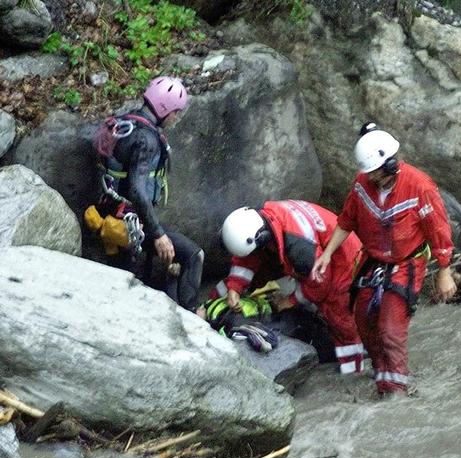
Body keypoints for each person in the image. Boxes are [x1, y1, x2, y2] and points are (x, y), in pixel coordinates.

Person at [312, 122, 456, 397]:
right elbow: (347, 221)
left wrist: (444, 271)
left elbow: (438, 230)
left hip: (407, 263)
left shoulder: (419, 187)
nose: (374, 179)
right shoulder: (362, 184)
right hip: (374, 260)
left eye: (378, 173)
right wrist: (327, 254)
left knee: (390, 327)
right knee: (364, 320)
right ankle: (384, 376)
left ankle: (396, 390)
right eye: (370, 174)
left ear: (391, 164)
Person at [213, 200, 365, 374]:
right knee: (260, 272)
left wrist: (289, 301)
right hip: (318, 250)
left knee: (340, 317)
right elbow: (246, 258)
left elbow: (320, 284)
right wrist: (235, 287)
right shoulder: (259, 222)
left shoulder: (298, 247)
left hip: (344, 260)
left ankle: (353, 369)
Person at [94, 76, 203, 312]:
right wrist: (158, 234)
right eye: (176, 112)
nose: (176, 118)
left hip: (110, 219)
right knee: (193, 255)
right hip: (133, 227)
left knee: (136, 281)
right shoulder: (147, 139)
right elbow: (136, 189)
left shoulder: (122, 123)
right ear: (164, 109)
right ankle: (193, 321)